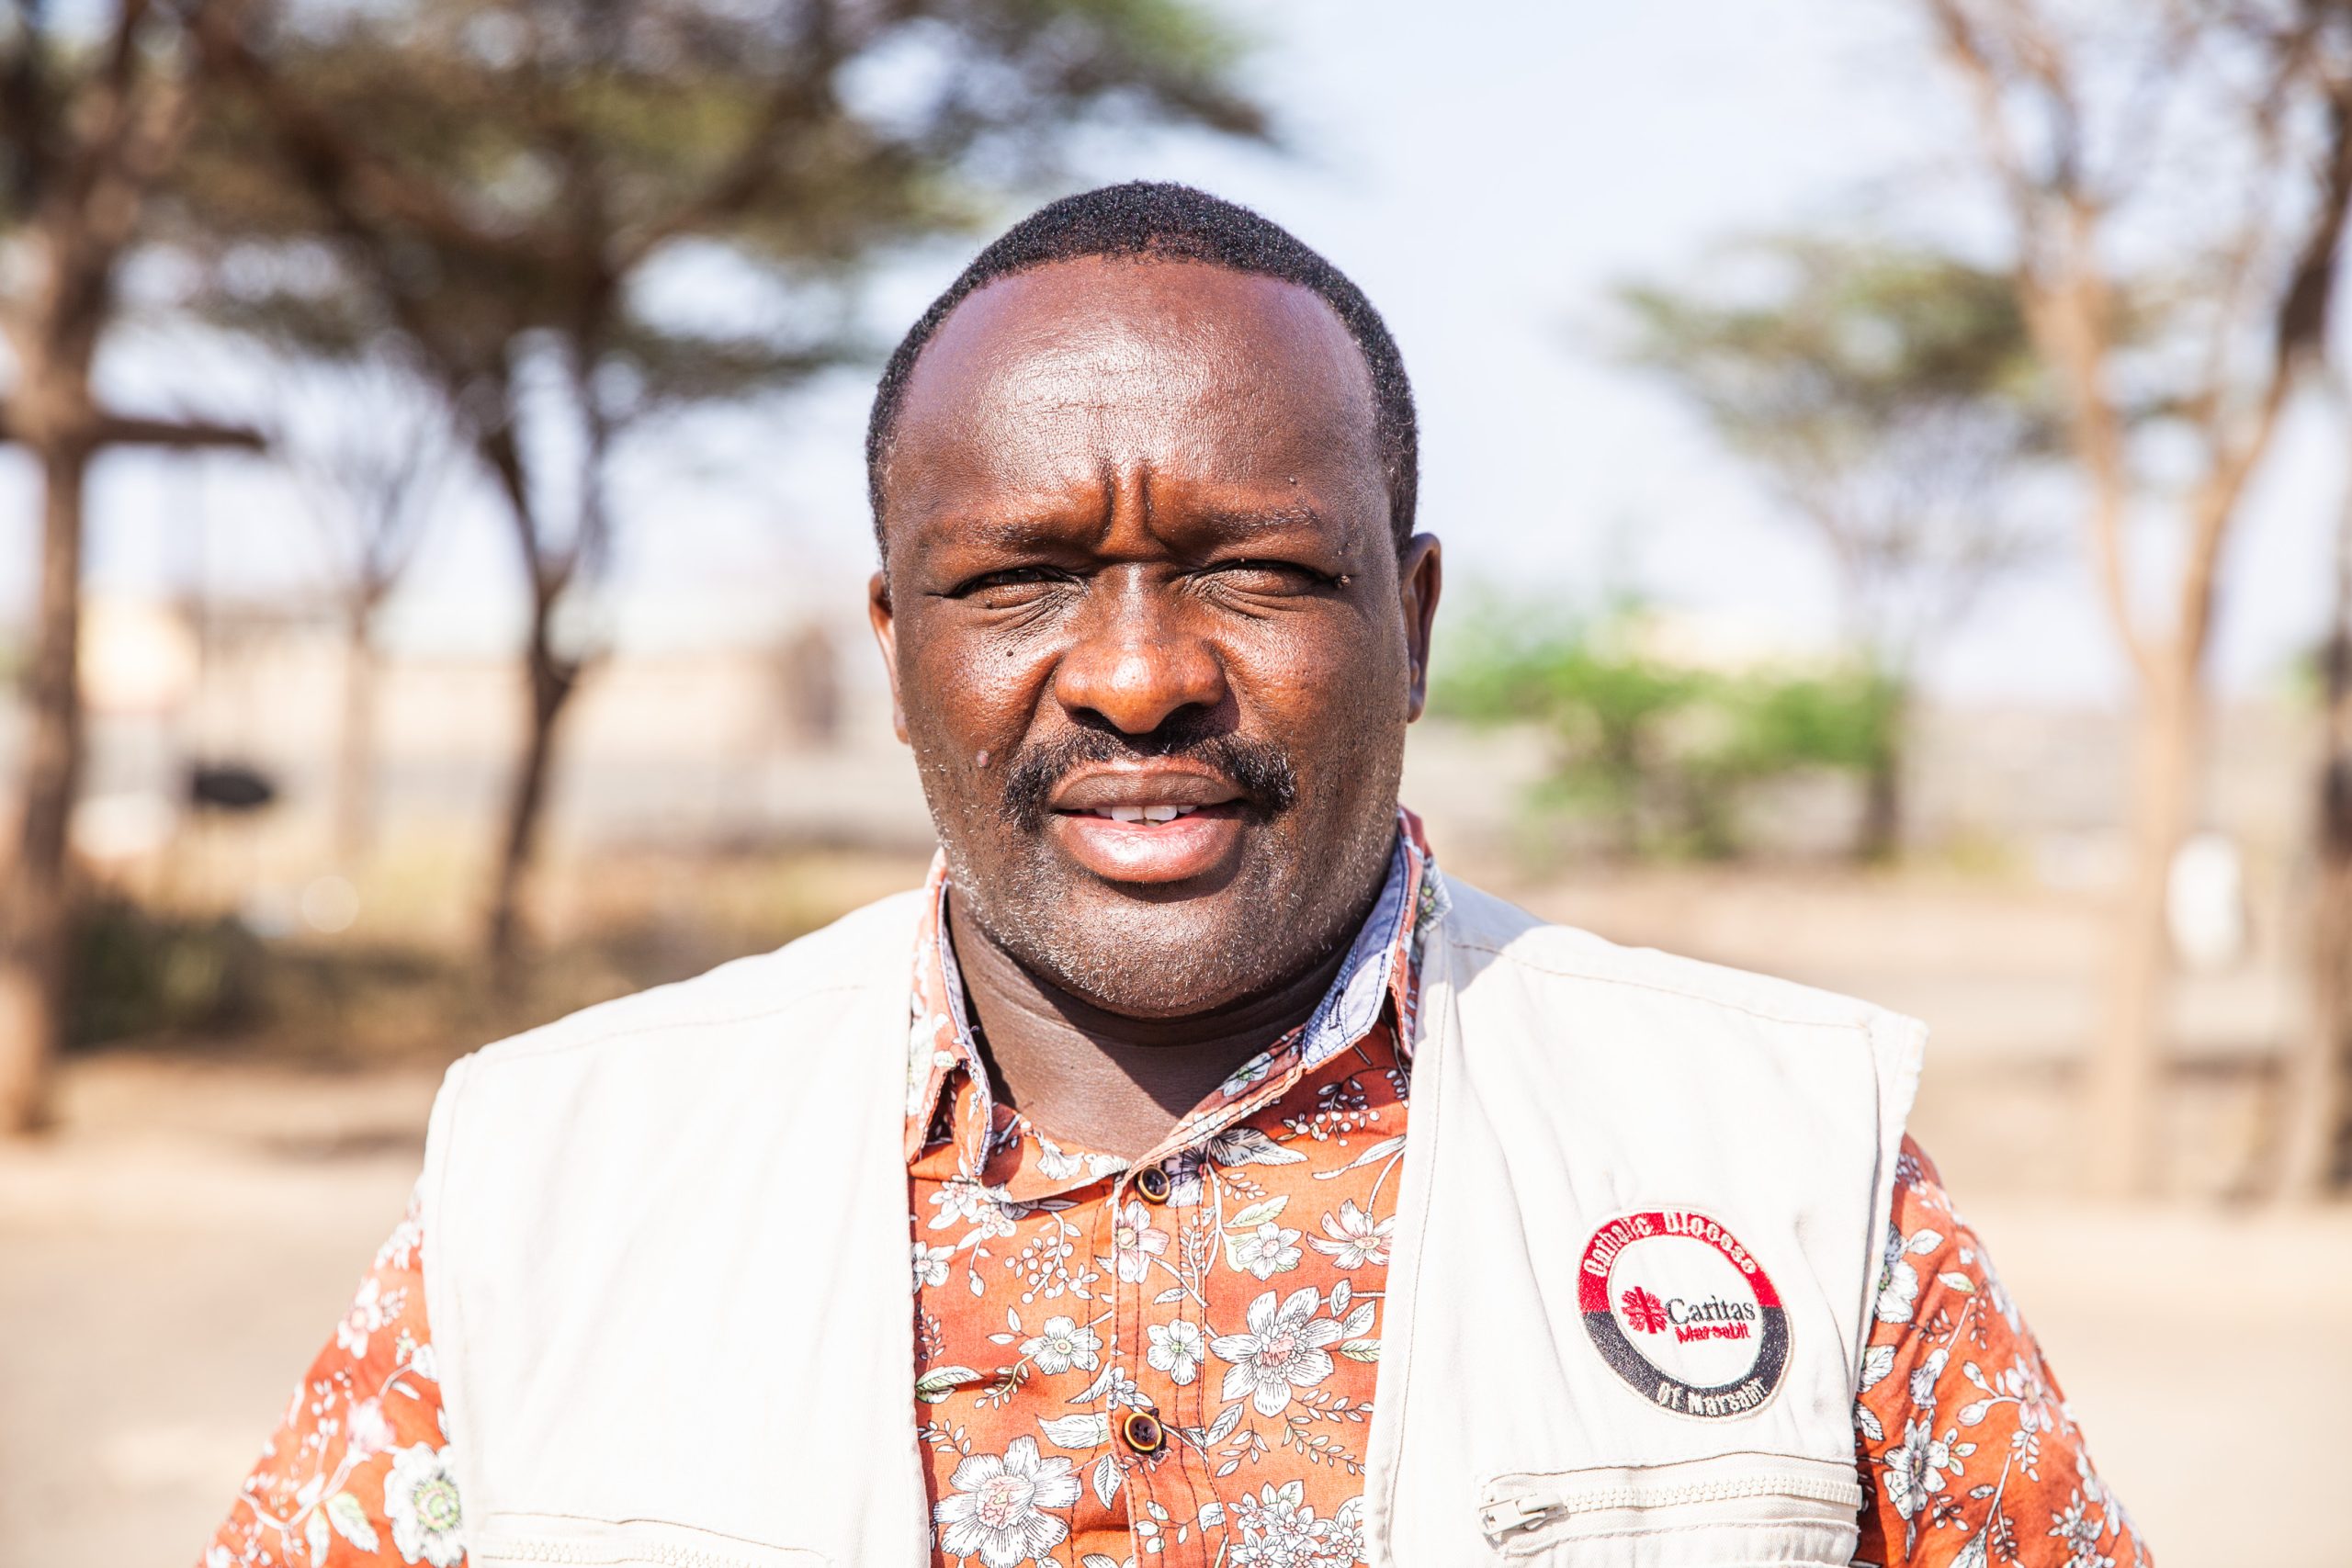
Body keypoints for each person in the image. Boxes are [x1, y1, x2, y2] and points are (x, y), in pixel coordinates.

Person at [203, 183, 2145, 1568]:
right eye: (1019, 579)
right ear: (895, 649)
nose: (1134, 675)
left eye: (1258, 569)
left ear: (1411, 610)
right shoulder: (561, 1172)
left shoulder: (1771, 1152)